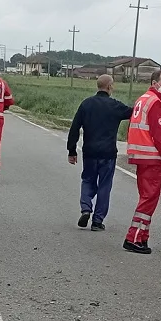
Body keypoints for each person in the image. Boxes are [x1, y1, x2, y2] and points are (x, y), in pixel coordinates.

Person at [123, 68, 161, 253]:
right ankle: (135, 237)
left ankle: (142, 236)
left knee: (147, 197)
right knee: (149, 199)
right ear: (154, 83)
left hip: (141, 156)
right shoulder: (155, 103)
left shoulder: (143, 99)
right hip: (151, 158)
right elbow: (159, 135)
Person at [67, 74, 132, 230]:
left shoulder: (86, 104)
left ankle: (86, 208)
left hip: (89, 151)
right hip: (108, 154)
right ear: (109, 87)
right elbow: (132, 113)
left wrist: (72, 150)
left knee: (88, 180)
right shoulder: (115, 105)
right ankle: (97, 220)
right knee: (104, 185)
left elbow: (74, 128)